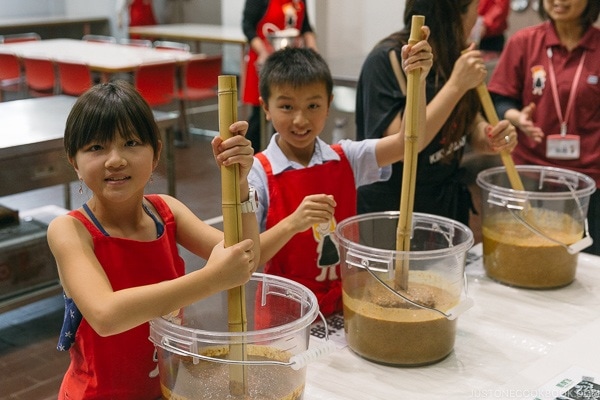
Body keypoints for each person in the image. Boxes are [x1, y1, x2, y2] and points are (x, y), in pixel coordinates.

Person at [48, 80, 259, 399]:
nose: (115, 159)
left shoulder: (167, 212)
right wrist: (212, 278)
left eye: (131, 142)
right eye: (96, 147)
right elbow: (106, 315)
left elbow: (246, 256)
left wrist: (241, 184)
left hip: (165, 389)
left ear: (156, 152)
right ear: (74, 162)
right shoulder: (70, 230)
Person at [246, 40, 436, 317]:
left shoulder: (346, 157)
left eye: (313, 105)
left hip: (345, 303)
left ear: (328, 105)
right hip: (285, 314)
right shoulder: (256, 172)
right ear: (265, 107)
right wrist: (293, 223)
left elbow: (408, 142)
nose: (300, 119)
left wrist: (416, 81)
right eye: (287, 107)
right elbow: (248, 259)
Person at [355, 0, 517, 227]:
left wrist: (491, 136)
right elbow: (403, 148)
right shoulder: (389, 58)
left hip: (445, 208)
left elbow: (472, 124)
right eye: (475, 9)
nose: (477, 18)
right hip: (396, 214)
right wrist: (456, 85)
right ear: (455, 15)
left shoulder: (455, 54)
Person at [488, 0, 600, 255]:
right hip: (531, 172)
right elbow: (500, 99)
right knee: (532, 253)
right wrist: (516, 117)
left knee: (587, 260)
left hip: (590, 177)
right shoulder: (525, 41)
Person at [242, 0, 318, 152]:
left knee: (287, 113)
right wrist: (263, 52)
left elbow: (306, 27)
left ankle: (283, 159)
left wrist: (314, 52)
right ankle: (250, 161)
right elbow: (248, 27)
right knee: (259, 116)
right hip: (263, 60)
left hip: (291, 64)